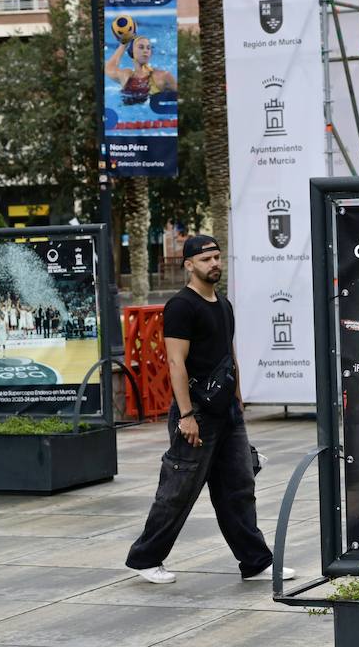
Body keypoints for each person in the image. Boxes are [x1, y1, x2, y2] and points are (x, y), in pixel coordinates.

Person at [125, 235, 294, 585]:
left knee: (239, 488)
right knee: (178, 491)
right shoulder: (181, 306)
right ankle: (146, 558)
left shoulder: (223, 304)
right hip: (197, 414)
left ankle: (256, 562)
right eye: (206, 260)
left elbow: (229, 354)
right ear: (189, 265)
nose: (214, 264)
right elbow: (175, 362)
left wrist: (238, 397)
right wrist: (186, 415)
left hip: (227, 413)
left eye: (217, 257)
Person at [105, 32, 178, 106]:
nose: (145, 51)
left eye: (148, 48)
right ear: (132, 51)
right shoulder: (126, 75)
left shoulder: (163, 76)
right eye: (141, 47)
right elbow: (109, 68)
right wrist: (123, 45)